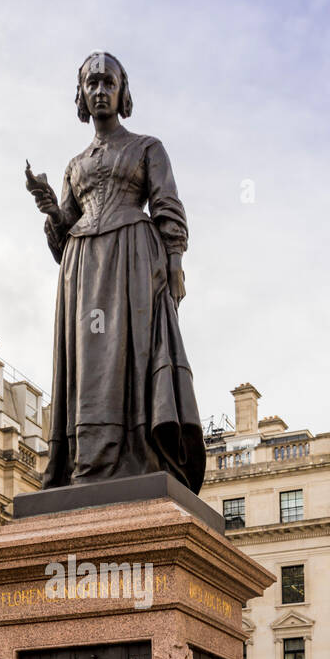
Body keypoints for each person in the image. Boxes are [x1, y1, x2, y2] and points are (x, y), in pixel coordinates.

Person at [26, 52, 206, 491]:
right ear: (82, 96)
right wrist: (51, 209)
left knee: (131, 355)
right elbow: (62, 235)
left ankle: (140, 452)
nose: (100, 91)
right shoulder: (74, 165)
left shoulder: (148, 147)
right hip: (82, 266)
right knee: (88, 364)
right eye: (92, 84)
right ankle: (88, 458)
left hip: (133, 258)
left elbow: (167, 205)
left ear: (122, 92)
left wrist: (176, 261)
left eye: (108, 83)